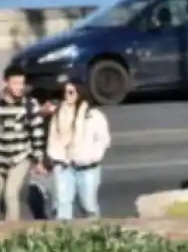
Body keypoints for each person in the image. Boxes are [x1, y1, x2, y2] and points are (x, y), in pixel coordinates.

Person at [45, 76, 111, 219]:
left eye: (71, 92)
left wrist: (93, 156)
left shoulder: (92, 115)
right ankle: (63, 238)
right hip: (64, 167)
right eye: (65, 92)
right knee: (62, 206)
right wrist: (55, 157)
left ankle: (94, 236)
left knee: (89, 207)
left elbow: (103, 139)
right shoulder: (58, 114)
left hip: (87, 168)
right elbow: (53, 138)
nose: (67, 96)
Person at [0, 64, 46, 221]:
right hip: (1, 157)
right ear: (5, 83)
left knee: (11, 193)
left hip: (21, 156)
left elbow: (37, 132)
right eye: (15, 83)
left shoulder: (29, 104)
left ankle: (12, 234)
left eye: (22, 83)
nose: (19, 87)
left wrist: (38, 159)